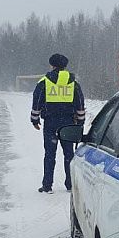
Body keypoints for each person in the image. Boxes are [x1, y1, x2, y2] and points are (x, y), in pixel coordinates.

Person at [31, 53, 86, 194]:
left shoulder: (44, 81)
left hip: (50, 123)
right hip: (68, 123)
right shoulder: (73, 83)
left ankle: (47, 185)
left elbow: (37, 101)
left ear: (52, 65)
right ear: (65, 66)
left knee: (50, 154)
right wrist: (80, 122)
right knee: (69, 154)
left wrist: (35, 119)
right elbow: (80, 103)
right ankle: (70, 185)